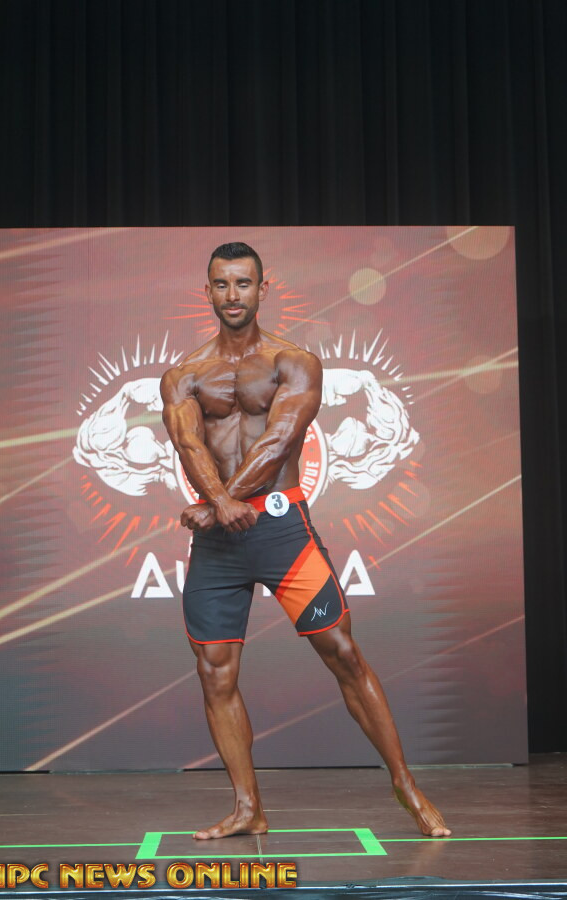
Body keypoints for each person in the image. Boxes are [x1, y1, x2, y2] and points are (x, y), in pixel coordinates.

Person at [160, 242, 451, 841]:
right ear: (207, 291)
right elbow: (188, 445)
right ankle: (248, 807)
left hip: (279, 529)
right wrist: (220, 507)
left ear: (262, 290)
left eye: (244, 283)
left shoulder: (294, 362)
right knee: (214, 672)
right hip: (219, 543)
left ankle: (405, 783)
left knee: (342, 652)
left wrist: (218, 505)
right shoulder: (183, 375)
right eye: (222, 284)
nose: (233, 295)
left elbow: (279, 442)